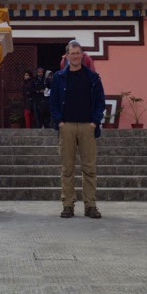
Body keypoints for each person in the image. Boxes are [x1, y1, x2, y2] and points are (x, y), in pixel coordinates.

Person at [50, 40, 106, 219]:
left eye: (78, 53)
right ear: (66, 56)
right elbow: (53, 103)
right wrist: (60, 122)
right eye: (72, 53)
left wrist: (94, 123)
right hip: (66, 126)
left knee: (89, 168)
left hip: (87, 126)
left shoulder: (93, 78)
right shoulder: (59, 77)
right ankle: (68, 205)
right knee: (67, 168)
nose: (75, 56)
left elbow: (100, 102)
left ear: (82, 55)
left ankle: (90, 205)